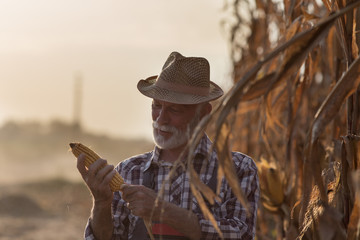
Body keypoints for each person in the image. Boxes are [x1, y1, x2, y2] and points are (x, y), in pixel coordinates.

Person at [77, 51, 259, 240]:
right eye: (156, 106)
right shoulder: (129, 170)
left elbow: (241, 234)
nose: (161, 119)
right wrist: (101, 203)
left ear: (204, 113)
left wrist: (162, 210)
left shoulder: (238, 169)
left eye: (174, 109)